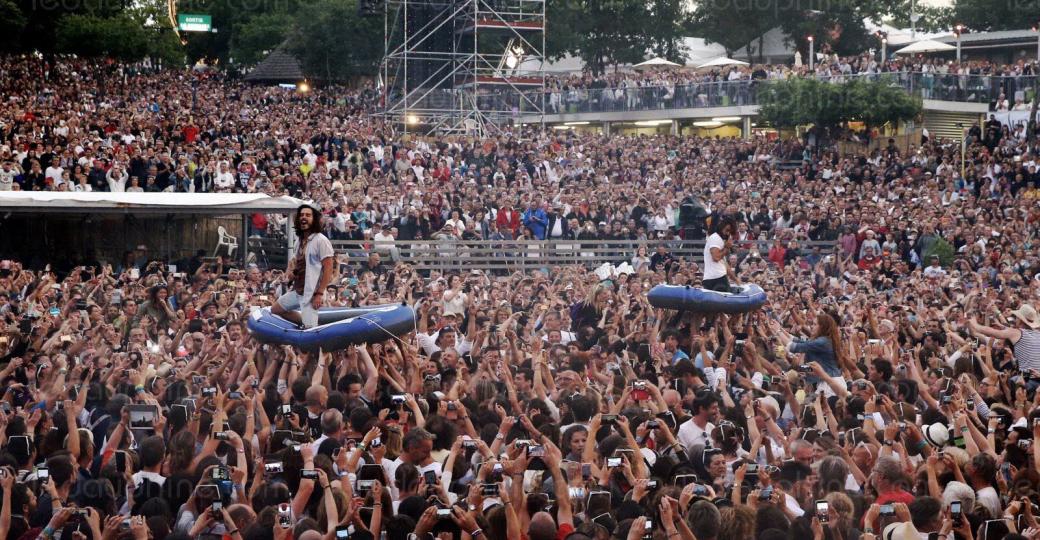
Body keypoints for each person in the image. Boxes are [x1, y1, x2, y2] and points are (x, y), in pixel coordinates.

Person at [271, 203, 335, 328]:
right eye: (301, 215)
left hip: (312, 293)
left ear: (314, 219)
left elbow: (328, 269)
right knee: (276, 309)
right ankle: (305, 323)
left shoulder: (321, 240)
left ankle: (311, 326)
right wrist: (291, 275)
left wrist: (320, 294)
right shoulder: (299, 241)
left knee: (310, 332)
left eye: (308, 215)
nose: (303, 217)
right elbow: (297, 266)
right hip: (298, 290)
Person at [703, 216, 737, 292]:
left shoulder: (720, 242)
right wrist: (727, 248)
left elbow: (724, 264)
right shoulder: (715, 238)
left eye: (730, 232)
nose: (727, 233)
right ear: (722, 227)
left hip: (714, 278)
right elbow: (716, 258)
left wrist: (736, 280)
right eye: (727, 230)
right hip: (717, 278)